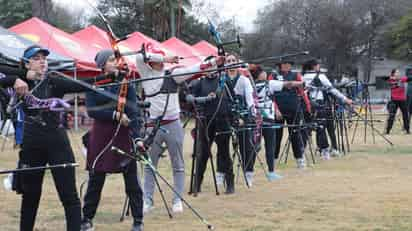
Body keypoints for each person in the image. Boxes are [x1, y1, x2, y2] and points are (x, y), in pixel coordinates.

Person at [136, 44, 224, 213]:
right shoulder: (145, 73)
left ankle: (177, 200)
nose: (161, 63)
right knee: (149, 164)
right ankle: (147, 200)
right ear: (151, 61)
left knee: (178, 164)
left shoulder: (173, 75)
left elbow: (195, 68)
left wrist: (215, 61)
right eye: (156, 59)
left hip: (172, 123)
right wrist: (165, 58)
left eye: (161, 59)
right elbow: (139, 57)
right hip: (153, 125)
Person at [16, 45, 87, 231]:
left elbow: (82, 85)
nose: (42, 61)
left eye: (44, 58)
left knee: (69, 196)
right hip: (32, 144)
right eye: (37, 58)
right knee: (30, 196)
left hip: (57, 142)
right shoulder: (18, 81)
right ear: (26, 63)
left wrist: (106, 76)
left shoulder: (54, 81)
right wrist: (21, 76)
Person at [80, 49, 145, 231]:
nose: (115, 62)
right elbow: (92, 110)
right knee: (96, 180)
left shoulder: (126, 84)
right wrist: (115, 115)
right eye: (110, 60)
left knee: (132, 181)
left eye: (115, 59)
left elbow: (134, 113)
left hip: (123, 136)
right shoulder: (94, 84)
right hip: (101, 137)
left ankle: (138, 221)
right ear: (101, 65)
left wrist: (138, 137)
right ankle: (86, 219)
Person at [252, 65, 303, 180]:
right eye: (263, 72)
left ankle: (248, 171)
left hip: (256, 119)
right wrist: (299, 83)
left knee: (255, 146)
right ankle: (270, 172)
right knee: (270, 145)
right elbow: (288, 84)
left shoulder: (251, 85)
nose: (265, 73)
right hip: (267, 119)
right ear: (260, 74)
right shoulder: (269, 83)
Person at [189, 69, 235, 194]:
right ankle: (197, 184)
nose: (211, 71)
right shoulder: (200, 82)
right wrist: (204, 99)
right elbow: (190, 98)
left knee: (224, 153)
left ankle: (230, 184)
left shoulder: (224, 81)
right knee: (202, 153)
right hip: (206, 121)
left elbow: (233, 98)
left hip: (222, 120)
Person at [302, 59, 352, 159]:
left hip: (305, 105)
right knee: (321, 127)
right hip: (318, 104)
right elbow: (332, 89)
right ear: (314, 66)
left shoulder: (303, 77)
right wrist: (345, 99)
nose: (319, 67)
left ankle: (301, 152)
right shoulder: (320, 76)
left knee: (306, 128)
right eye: (318, 65)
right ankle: (324, 152)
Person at [223, 54, 256, 186]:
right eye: (228, 61)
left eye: (233, 61)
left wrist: (249, 115)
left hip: (241, 115)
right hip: (225, 115)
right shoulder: (222, 79)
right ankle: (222, 174)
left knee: (245, 146)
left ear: (237, 63)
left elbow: (249, 99)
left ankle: (248, 173)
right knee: (223, 146)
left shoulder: (244, 80)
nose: (231, 63)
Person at [272, 60, 308, 168]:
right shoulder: (274, 75)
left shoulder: (295, 75)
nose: (287, 66)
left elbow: (302, 91)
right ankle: (273, 159)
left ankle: (300, 159)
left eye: (289, 64)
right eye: (284, 64)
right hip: (279, 109)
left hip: (293, 108)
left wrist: (306, 106)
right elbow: (270, 93)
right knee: (277, 135)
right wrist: (275, 109)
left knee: (295, 134)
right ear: (280, 65)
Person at [385, 68, 411, 134]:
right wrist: (396, 81)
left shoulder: (402, 79)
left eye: (399, 72)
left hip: (402, 100)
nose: (398, 73)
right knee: (392, 115)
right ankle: (388, 130)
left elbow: (409, 79)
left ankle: (407, 130)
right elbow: (391, 84)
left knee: (405, 115)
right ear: (393, 73)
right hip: (394, 100)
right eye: (397, 72)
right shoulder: (390, 80)